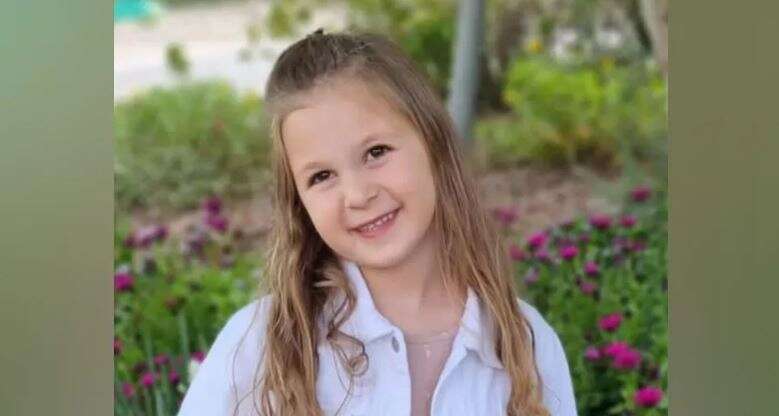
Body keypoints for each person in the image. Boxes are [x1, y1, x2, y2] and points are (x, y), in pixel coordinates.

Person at [178, 30, 577, 416]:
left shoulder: (526, 341)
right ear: (298, 203)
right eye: (321, 176)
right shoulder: (260, 346)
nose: (357, 194)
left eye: (376, 152)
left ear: (434, 143)